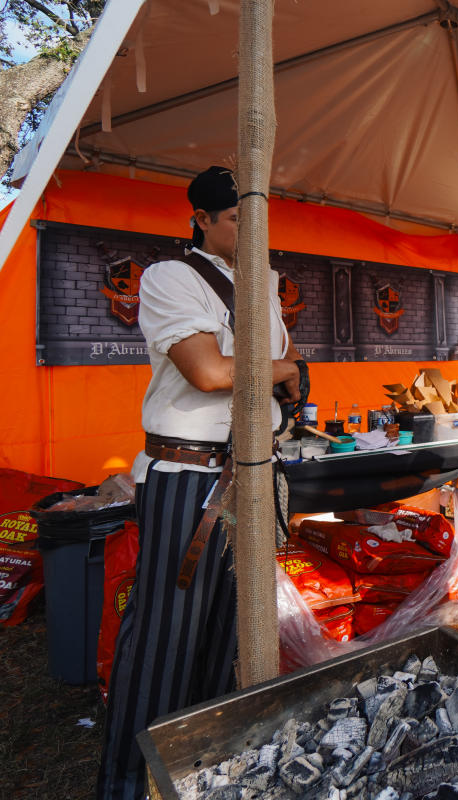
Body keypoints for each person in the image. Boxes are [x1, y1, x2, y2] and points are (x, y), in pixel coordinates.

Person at [97, 167, 304, 800]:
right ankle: (129, 782)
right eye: (238, 218)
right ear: (203, 220)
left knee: (227, 632)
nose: (250, 229)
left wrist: (283, 375)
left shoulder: (265, 286)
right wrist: (288, 366)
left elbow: (267, 380)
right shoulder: (171, 278)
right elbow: (210, 372)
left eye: (257, 218)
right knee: (165, 635)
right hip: (191, 477)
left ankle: (200, 771)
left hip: (252, 472)